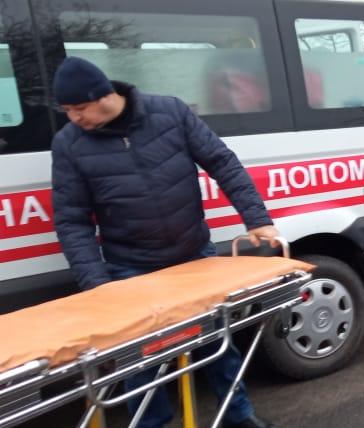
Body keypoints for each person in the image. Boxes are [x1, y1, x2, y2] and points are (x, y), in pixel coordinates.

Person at [50, 56, 279, 428]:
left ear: (104, 95)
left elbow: (222, 162)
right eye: (67, 110)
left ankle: (239, 417)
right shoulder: (69, 144)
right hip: (131, 267)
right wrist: (97, 285)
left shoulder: (169, 112)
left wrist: (257, 219)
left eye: (79, 108)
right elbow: (72, 220)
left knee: (218, 347)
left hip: (194, 257)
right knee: (140, 363)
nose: (74, 118)